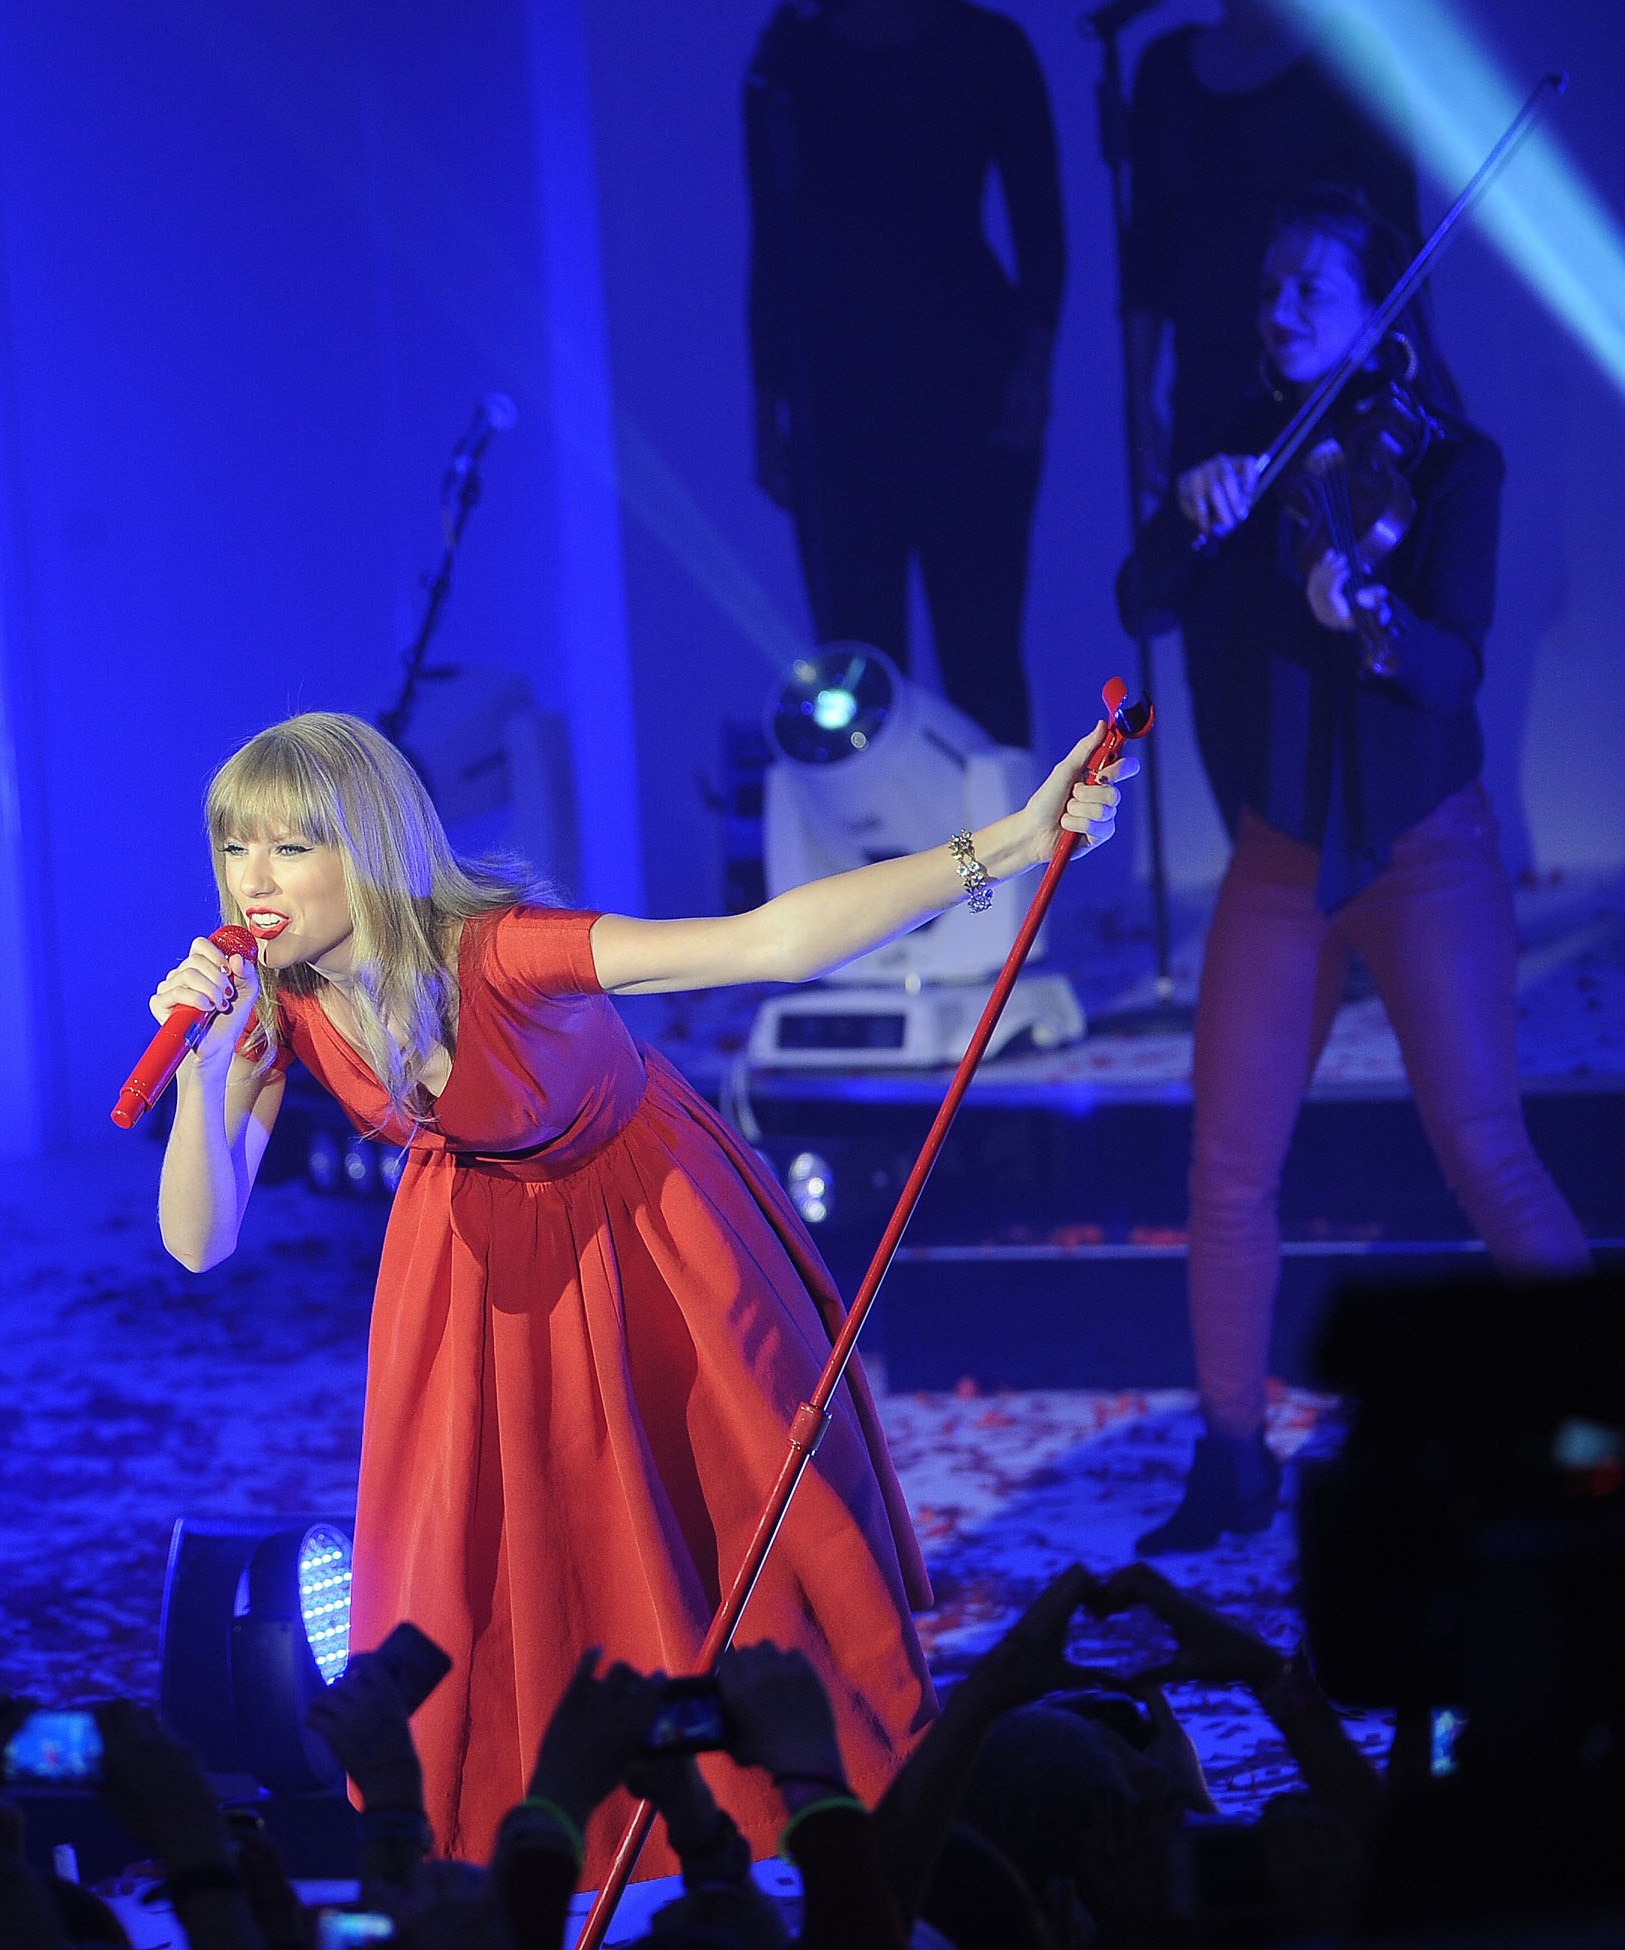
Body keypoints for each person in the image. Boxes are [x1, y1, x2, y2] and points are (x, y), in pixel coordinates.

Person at [150, 708, 1131, 1880]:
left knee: (720, 1522)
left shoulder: (506, 950)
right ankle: (567, 1818)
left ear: (364, 845)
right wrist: (203, 1076)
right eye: (233, 849)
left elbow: (765, 942)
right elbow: (199, 1242)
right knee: (500, 1561)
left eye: (288, 846)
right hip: (471, 1262)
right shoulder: (269, 1004)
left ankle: (792, 1792)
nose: (252, 881)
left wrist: (1008, 848)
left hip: (645, 1222)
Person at [1118, 184, 1592, 1554]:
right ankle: (1231, 1458)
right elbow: (1142, 602)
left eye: (1308, 293)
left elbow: (1454, 664)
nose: (1275, 314)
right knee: (1227, 1163)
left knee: (1486, 1150)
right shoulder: (1246, 445)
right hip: (1280, 856)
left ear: (1379, 309)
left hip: (1425, 848)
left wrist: (1372, 618)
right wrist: (1187, 511)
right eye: (1269, 290)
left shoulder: (1454, 464)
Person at [1124, 0, 1418, 828]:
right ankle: (1258, 861)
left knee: (1329, 622)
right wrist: (1136, 390)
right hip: (1211, 389)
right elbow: (1146, 245)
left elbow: (1396, 238)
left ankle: (1360, 870)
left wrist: (1400, 381)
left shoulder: (1351, 55)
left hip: (1336, 395)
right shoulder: (1162, 69)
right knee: (1215, 642)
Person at [745, 0, 1065, 750]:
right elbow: (771, 251)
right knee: (856, 665)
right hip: (837, 398)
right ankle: (896, 862)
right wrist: (768, 413)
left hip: (969, 385)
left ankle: (1011, 859)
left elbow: (1041, 229)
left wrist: (1032, 367)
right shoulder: (787, 64)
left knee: (980, 650)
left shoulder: (987, 47)